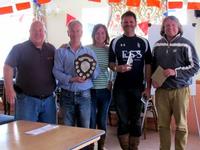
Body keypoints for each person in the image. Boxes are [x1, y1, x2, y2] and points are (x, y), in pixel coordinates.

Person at [152, 16, 199, 150]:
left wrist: (175, 72)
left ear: (178, 27)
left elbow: (195, 66)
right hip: (161, 92)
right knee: (163, 125)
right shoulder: (157, 45)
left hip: (180, 91)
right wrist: (154, 80)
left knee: (181, 126)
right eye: (167, 25)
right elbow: (153, 67)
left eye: (173, 25)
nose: (170, 27)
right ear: (163, 28)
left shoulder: (186, 44)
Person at [109, 11, 152, 150]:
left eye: (131, 22)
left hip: (138, 88)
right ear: (121, 24)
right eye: (125, 22)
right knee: (123, 122)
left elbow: (148, 65)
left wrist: (147, 87)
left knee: (136, 121)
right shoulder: (115, 42)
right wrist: (117, 68)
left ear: (135, 23)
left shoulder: (144, 42)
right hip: (120, 88)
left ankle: (134, 148)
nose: (128, 24)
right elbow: (110, 64)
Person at [3, 20, 57, 124]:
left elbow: (60, 67)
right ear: (29, 32)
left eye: (41, 30)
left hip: (49, 101)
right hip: (26, 101)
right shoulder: (19, 48)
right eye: (34, 30)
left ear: (45, 32)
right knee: (26, 135)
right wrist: (9, 89)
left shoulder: (51, 49)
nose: (38, 33)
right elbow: (7, 67)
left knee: (50, 136)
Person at [53, 20, 99, 128]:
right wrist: (72, 79)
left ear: (82, 32)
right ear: (68, 33)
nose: (75, 34)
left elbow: (96, 72)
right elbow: (56, 71)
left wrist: (89, 74)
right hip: (66, 94)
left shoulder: (89, 52)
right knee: (67, 130)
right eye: (72, 31)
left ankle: (85, 146)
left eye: (77, 31)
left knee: (84, 130)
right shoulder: (60, 52)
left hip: (85, 95)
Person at [87, 24, 111, 150]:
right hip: (90, 90)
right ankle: (91, 146)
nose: (100, 35)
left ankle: (101, 146)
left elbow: (114, 68)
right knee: (91, 120)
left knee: (102, 120)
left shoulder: (109, 50)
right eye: (97, 33)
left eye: (103, 33)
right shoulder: (87, 49)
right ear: (93, 35)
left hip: (105, 91)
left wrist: (112, 80)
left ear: (106, 35)